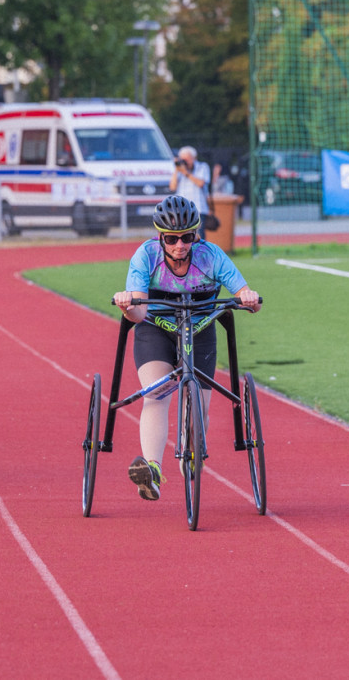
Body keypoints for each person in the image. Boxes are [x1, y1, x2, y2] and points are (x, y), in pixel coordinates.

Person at [112, 195, 261, 500]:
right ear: (160, 237)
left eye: (187, 237)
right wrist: (127, 306)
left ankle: (192, 450)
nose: (179, 245)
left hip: (200, 328)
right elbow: (139, 314)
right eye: (171, 239)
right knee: (156, 392)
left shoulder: (211, 256)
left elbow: (246, 295)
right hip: (156, 329)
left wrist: (249, 298)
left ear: (196, 234)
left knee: (200, 408)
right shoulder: (145, 256)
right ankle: (152, 470)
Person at [169, 146, 217, 234]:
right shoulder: (179, 170)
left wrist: (186, 173)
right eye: (183, 159)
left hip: (198, 208)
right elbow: (172, 187)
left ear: (194, 158)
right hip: (181, 210)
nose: (185, 162)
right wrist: (177, 169)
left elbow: (201, 183)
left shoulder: (202, 167)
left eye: (187, 159)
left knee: (198, 237)